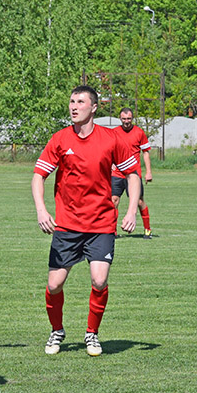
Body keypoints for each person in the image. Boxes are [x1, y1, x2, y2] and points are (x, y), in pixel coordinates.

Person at [31, 86, 141, 357]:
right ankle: (57, 330)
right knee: (54, 285)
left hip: (101, 224)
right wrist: (42, 211)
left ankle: (92, 334)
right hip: (67, 225)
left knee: (99, 280)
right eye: (71, 101)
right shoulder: (60, 139)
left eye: (80, 101)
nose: (74, 106)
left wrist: (131, 211)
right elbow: (38, 176)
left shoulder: (111, 139)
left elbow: (133, 174)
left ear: (94, 108)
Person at [111, 108, 154, 239]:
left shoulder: (139, 133)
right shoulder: (114, 133)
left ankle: (147, 229)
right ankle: (112, 232)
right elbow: (109, 150)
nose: (126, 121)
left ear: (132, 118)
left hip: (134, 174)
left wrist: (149, 172)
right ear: (120, 119)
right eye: (124, 119)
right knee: (113, 201)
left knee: (139, 202)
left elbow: (146, 152)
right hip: (117, 173)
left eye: (129, 119)